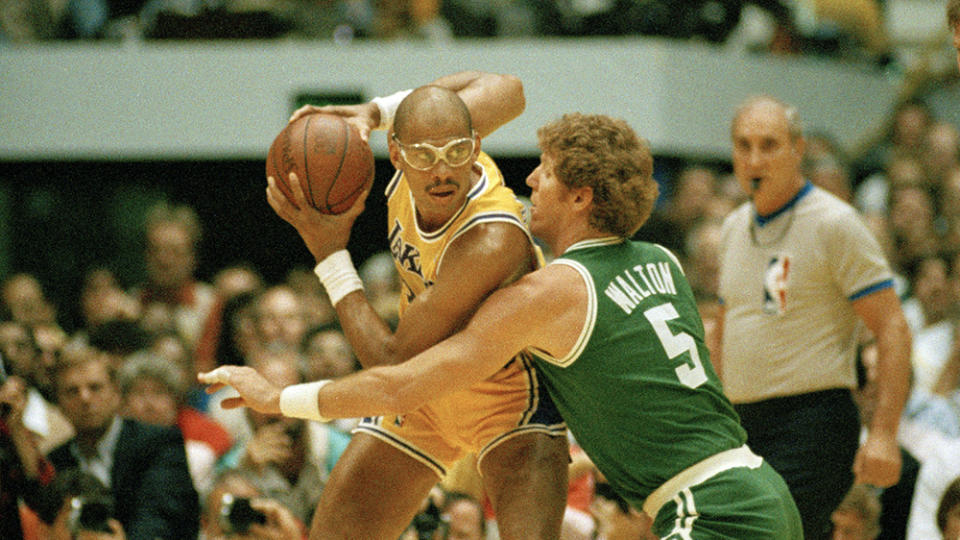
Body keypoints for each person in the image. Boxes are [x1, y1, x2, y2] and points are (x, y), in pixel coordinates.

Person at [200, 112, 803, 539]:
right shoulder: (663, 262)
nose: (531, 180)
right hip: (756, 487)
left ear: (581, 197)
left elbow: (401, 381)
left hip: (710, 510)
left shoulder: (549, 292)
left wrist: (281, 396)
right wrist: (374, 113)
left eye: (546, 172)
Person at [252, 71, 570, 539]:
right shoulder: (432, 145)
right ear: (396, 154)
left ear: (475, 144)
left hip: (509, 404)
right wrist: (373, 112)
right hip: (424, 401)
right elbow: (509, 89)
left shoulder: (491, 238)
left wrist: (329, 254)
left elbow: (391, 363)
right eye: (423, 156)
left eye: (457, 153)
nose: (442, 170)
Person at [711, 95, 913, 540]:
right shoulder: (732, 228)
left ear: (797, 149)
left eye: (769, 145)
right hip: (742, 422)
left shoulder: (834, 223)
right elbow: (725, 330)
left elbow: (893, 327)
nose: (754, 158)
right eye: (743, 146)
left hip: (813, 421)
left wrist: (883, 434)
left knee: (764, 533)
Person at [47, 343, 200, 540]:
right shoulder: (56, 460)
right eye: (72, 391)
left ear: (116, 394)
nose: (84, 398)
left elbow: (159, 517)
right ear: (59, 403)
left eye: (95, 388)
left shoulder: (158, 443)